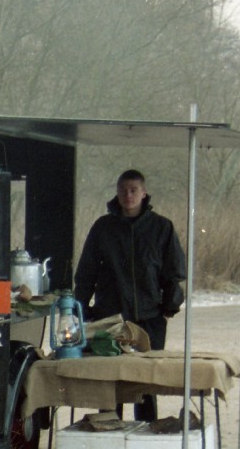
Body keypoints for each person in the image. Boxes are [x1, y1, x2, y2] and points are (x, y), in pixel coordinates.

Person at [72, 169, 186, 421]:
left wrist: (169, 308)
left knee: (145, 382)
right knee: (111, 382)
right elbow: (86, 272)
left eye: (134, 190)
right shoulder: (103, 227)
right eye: (123, 190)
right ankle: (109, 431)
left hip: (150, 318)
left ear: (144, 193)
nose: (128, 195)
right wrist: (81, 308)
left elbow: (174, 273)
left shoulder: (161, 227)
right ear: (117, 193)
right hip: (111, 317)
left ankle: (145, 434)